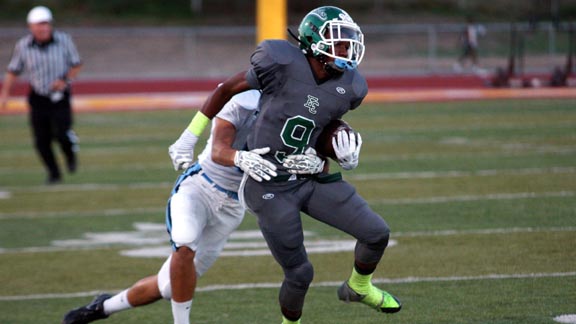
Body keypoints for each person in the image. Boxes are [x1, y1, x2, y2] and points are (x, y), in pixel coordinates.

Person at [176, 6, 402, 324]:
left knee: (377, 233)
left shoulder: (350, 86)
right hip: (268, 186)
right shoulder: (279, 63)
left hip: (307, 177)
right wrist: (190, 135)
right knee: (300, 273)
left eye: (349, 43)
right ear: (313, 43)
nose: (347, 50)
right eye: (338, 43)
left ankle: (358, 286)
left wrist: (344, 150)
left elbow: (318, 125)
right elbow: (226, 89)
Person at [60, 90, 323, 324]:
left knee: (168, 289)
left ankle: (102, 307)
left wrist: (328, 159)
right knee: (185, 242)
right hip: (200, 186)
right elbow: (219, 150)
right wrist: (238, 156)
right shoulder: (245, 101)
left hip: (233, 206)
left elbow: (314, 154)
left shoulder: (298, 109)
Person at [0, 6, 82, 184]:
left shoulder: (64, 40)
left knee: (62, 134)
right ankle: (54, 174)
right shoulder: (23, 45)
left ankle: (70, 155)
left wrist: (64, 80)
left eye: (45, 24)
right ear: (31, 27)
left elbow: (76, 64)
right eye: (38, 25)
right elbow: (13, 70)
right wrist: (4, 94)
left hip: (60, 96)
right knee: (41, 141)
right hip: (38, 97)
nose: (43, 28)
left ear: (50, 25)